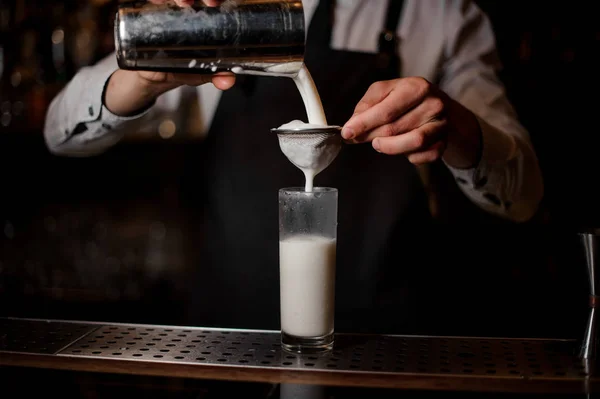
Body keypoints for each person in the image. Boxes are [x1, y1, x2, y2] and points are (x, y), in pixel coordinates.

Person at [43, 0, 544, 334]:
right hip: (227, 342)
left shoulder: (441, 15)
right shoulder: (224, 11)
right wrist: (143, 77)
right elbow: (59, 131)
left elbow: (524, 196)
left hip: (385, 343)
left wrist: (458, 126)